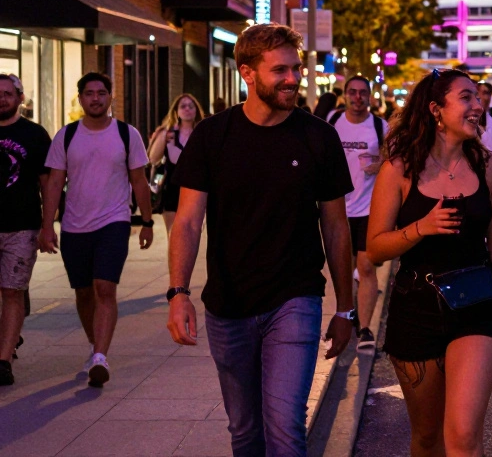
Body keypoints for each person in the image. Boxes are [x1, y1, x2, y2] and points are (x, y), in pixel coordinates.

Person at [166, 24, 356, 456]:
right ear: (248, 74)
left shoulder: (318, 138)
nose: (293, 79)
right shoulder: (213, 136)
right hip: (228, 305)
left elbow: (336, 226)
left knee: (286, 428)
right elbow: (189, 222)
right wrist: (178, 292)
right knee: (245, 431)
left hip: (295, 298)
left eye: (296, 68)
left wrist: (346, 307)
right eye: (280, 70)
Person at [366, 69, 492, 457]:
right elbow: (374, 248)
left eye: (478, 97)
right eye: (467, 98)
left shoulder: (488, 166)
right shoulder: (399, 168)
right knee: (426, 437)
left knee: (464, 435)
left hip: (476, 304)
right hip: (415, 307)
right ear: (437, 110)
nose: (478, 105)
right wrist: (422, 226)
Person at [41, 72, 153, 388]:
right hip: (75, 226)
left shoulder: (126, 134)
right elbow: (53, 184)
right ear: (81, 98)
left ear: (110, 97)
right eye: (89, 93)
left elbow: (139, 181)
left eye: (101, 93)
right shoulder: (66, 136)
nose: (95, 98)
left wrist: (146, 221)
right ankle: (95, 346)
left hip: (114, 222)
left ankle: (101, 356)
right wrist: (47, 225)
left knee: (105, 287)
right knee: (84, 292)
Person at [328, 75, 386, 351]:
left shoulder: (379, 126)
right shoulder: (332, 124)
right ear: (345, 95)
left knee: (365, 267)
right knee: (343, 268)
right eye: (353, 92)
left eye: (363, 93)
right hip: (337, 209)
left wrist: (381, 164)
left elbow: (396, 159)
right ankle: (347, 315)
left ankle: (364, 328)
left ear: (370, 96)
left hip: (369, 209)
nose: (358, 97)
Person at [0, 74, 51, 386]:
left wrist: (48, 226)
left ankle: (3, 361)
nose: (2, 98)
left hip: (21, 226)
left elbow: (48, 183)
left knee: (12, 291)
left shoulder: (34, 135)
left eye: (7, 93)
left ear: (19, 98)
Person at [147, 93, 205, 234]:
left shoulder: (202, 133)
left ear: (196, 111)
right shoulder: (168, 133)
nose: (187, 109)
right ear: (176, 111)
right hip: (171, 190)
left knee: (192, 233)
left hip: (195, 190)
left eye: (191, 106)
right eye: (183, 106)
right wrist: (163, 135)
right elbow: (153, 158)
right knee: (173, 234)